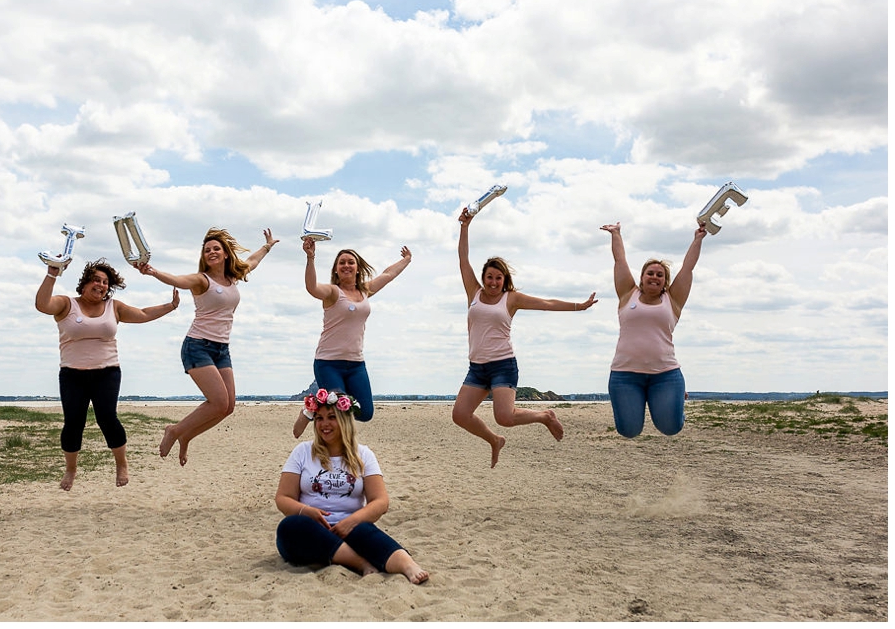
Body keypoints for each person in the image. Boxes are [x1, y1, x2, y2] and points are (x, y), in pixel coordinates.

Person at [453, 207, 597, 467]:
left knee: (505, 417)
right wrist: (465, 227)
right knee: (460, 415)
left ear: (504, 279)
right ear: (483, 278)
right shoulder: (473, 292)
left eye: (498, 278)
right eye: (489, 277)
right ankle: (495, 441)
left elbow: (547, 303)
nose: (493, 282)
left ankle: (545, 415)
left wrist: (579, 306)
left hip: (502, 365)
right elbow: (463, 260)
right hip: (477, 367)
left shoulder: (512, 299)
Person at [136, 227, 279, 465]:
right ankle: (174, 430)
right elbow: (178, 280)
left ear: (225, 254)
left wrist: (268, 246)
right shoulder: (201, 280)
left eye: (216, 249)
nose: (211, 252)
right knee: (219, 402)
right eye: (207, 250)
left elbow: (253, 261)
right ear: (203, 257)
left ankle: (186, 436)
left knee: (228, 406)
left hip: (222, 349)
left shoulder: (233, 277)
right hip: (198, 346)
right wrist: (152, 271)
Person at [35, 258, 180, 491]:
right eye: (96, 280)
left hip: (107, 373)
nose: (101, 285)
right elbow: (42, 305)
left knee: (107, 418)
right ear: (84, 283)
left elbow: (142, 314)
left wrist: (171, 306)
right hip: (73, 374)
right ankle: (71, 470)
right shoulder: (66, 304)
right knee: (73, 423)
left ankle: (121, 465)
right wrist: (52, 274)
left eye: (105, 282)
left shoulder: (114, 307)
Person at [275, 390, 429, 584]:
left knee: (366, 531)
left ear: (345, 421)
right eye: (319, 418)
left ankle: (408, 565)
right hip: (312, 529)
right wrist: (305, 510)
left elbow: (380, 501)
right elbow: (283, 498)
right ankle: (360, 563)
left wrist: (352, 521)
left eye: (332, 417)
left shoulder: (363, 454)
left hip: (351, 528)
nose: (324, 424)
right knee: (289, 527)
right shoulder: (302, 452)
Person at [292, 238, 412, 438]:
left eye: (350, 262)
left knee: (365, 413)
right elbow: (312, 287)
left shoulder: (365, 291)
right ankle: (315, 413)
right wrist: (311, 258)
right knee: (340, 409)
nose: (346, 265)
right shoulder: (332, 292)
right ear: (336, 269)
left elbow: (388, 274)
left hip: (356, 364)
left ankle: (315, 405)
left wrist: (406, 260)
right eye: (342, 263)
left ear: (357, 268)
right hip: (328, 362)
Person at [599, 220, 707, 438]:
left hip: (665, 375)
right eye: (650, 273)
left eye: (660, 275)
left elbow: (688, 268)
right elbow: (620, 260)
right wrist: (616, 234)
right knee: (629, 430)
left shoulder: (673, 300)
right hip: (625, 375)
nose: (655, 277)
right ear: (642, 277)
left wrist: (697, 239)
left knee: (671, 428)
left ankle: (675, 399)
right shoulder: (627, 293)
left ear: (665, 281)